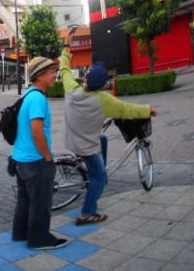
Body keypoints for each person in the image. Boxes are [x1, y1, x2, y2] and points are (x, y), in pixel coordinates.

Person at [60, 34, 157, 225]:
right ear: (102, 85)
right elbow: (127, 109)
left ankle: (96, 171)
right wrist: (148, 110)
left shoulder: (71, 89)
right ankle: (87, 213)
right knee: (98, 176)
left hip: (69, 138)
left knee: (102, 139)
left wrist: (66, 46)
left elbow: (64, 69)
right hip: (85, 145)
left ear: (86, 78)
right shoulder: (103, 100)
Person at [11, 57, 68, 250]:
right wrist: (47, 157)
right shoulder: (37, 99)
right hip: (35, 161)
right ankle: (38, 239)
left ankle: (20, 234)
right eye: (52, 72)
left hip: (20, 160)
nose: (55, 75)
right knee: (41, 202)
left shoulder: (28, 95)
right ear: (40, 75)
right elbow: (37, 132)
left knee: (25, 200)